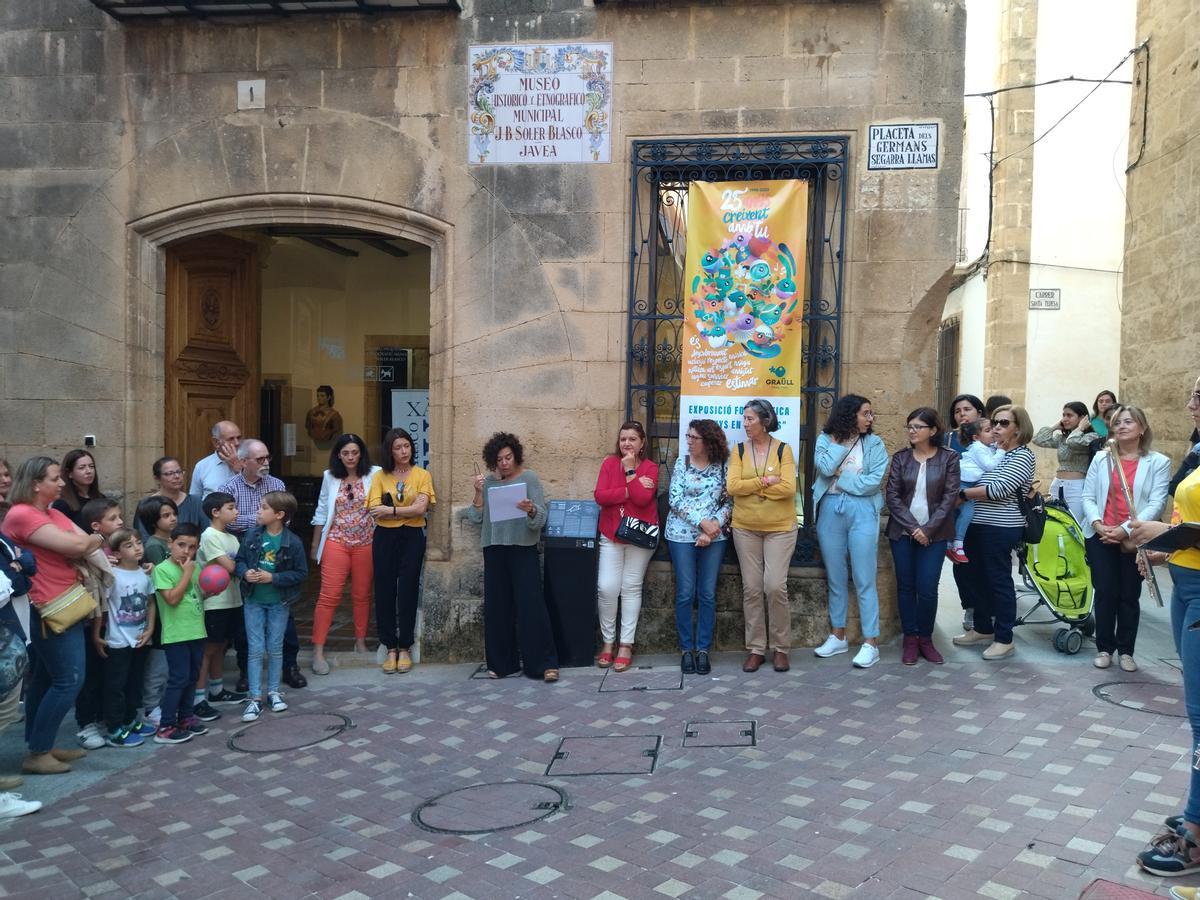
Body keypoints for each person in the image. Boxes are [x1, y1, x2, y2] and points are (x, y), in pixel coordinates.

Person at [1129, 375, 1200, 877]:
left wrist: (1162, 532)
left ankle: (1194, 836)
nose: (1190, 401)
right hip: (1186, 585)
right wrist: (1164, 547)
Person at [3, 456, 104, 775]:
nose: (62, 483)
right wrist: (87, 542)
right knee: (69, 680)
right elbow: (79, 545)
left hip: (66, 601)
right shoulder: (22, 514)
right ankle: (38, 752)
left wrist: (85, 541)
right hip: (48, 607)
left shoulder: (52, 512)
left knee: (48, 680)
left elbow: (81, 540)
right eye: (55, 478)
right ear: (35, 483)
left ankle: (41, 743)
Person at [1080, 405, 1169, 672]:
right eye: (1117, 422)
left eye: (1128, 422)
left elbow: (1156, 502)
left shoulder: (1158, 462)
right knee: (1106, 593)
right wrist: (1097, 524)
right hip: (1100, 534)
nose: (1121, 426)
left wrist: (1125, 529)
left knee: (1129, 595)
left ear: (1142, 428)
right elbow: (1088, 496)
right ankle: (1105, 648)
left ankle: (1126, 651)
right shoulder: (1101, 458)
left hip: (1134, 536)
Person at [466, 432, 558, 682]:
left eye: (508, 457)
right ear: (492, 461)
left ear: (515, 455)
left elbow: (540, 519)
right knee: (498, 608)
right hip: (494, 549)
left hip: (523, 547)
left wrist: (530, 510)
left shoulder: (529, 478)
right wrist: (477, 493)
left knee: (531, 607)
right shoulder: (488, 484)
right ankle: (502, 664)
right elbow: (475, 518)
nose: (505, 462)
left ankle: (543, 664)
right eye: (499, 459)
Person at [953, 404, 1037, 660]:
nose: (997, 427)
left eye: (1004, 423)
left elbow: (998, 489)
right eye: (995, 423)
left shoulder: (1023, 455)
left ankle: (1004, 638)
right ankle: (982, 628)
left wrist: (963, 494)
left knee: (998, 581)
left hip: (1001, 527)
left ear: (1018, 429)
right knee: (976, 578)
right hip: (977, 524)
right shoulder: (993, 452)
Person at [219, 439, 305, 690]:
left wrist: (251, 520)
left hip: (278, 561)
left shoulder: (276, 484)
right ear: (243, 462)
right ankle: (247, 673)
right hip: (247, 555)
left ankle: (290, 666)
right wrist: (259, 522)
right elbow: (229, 522)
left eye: (268, 457)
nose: (266, 463)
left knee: (284, 623)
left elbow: (284, 520)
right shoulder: (229, 486)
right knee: (247, 626)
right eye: (260, 459)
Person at [812, 394, 889, 668]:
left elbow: (872, 483)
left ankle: (871, 642)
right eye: (865, 413)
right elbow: (824, 468)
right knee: (835, 576)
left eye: (871, 413)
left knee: (864, 577)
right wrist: (836, 448)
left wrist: (841, 478)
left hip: (863, 511)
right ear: (849, 415)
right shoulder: (826, 439)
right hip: (830, 509)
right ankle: (838, 635)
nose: (870, 418)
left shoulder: (875, 443)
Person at [726, 399, 798, 673]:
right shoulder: (739, 450)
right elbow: (733, 486)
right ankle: (756, 648)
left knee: (775, 586)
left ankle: (781, 648)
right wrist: (765, 482)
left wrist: (754, 489)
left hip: (780, 528)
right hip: (745, 527)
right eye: (743, 419)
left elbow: (789, 488)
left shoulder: (783, 450)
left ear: (765, 421)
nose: (745, 424)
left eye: (750, 419)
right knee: (752, 589)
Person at [885, 407, 960, 666]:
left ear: (933, 430)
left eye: (918, 426)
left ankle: (925, 639)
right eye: (910, 426)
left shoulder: (949, 458)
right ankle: (910, 639)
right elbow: (892, 497)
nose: (912, 431)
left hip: (935, 535)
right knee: (906, 587)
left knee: (927, 589)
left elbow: (950, 497)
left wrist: (926, 530)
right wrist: (914, 529)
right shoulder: (901, 458)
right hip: (902, 533)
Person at [311, 434, 381, 675]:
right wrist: (315, 544)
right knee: (329, 595)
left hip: (366, 542)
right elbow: (321, 510)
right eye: (345, 453)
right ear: (338, 455)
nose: (350, 457)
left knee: (362, 595)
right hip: (336, 541)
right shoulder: (330, 477)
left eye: (354, 452)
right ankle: (318, 650)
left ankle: (360, 641)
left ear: (361, 453)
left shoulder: (375, 474)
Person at [593, 420, 660, 672]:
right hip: (611, 534)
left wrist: (631, 471)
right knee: (607, 588)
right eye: (623, 439)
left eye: (632, 439)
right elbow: (600, 496)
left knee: (630, 587)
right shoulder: (609, 464)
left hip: (640, 537)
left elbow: (644, 500)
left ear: (642, 443)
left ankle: (625, 645)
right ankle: (607, 642)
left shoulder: (651, 468)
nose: (627, 443)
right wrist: (629, 489)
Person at [367, 429, 435, 675]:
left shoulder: (422, 475)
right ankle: (390, 647)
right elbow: (375, 509)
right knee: (384, 589)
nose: (403, 451)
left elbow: (421, 509)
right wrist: (404, 509)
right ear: (390, 451)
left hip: (412, 536)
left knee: (407, 589)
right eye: (398, 447)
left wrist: (392, 511)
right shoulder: (379, 476)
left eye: (407, 446)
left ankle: (405, 645)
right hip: (384, 537)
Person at [667, 419, 732, 676]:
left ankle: (703, 649)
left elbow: (730, 502)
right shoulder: (681, 463)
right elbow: (675, 500)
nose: (689, 441)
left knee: (707, 593)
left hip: (714, 536)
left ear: (709, 441)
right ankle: (686, 649)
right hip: (680, 535)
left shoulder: (723, 466)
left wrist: (713, 525)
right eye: (688, 436)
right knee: (685, 592)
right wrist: (702, 523)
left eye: (695, 437)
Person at [236, 492, 308, 722]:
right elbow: (240, 561)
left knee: (275, 646)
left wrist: (273, 578)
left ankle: (274, 692)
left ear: (279, 515)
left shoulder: (293, 542)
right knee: (255, 647)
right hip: (253, 600)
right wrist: (245, 573)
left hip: (279, 602)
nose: (258, 511)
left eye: (263, 507)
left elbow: (300, 573)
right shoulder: (251, 536)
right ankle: (255, 697)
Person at [75, 497, 125, 751]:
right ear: (96, 526)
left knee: (110, 674)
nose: (120, 522)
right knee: (90, 675)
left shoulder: (122, 547)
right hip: (93, 621)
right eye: (113, 518)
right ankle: (86, 723)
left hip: (116, 622)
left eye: (120, 516)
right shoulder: (91, 552)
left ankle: (108, 718)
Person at [99, 529, 156, 748]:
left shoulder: (145, 573)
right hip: (117, 640)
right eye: (129, 545)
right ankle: (114, 728)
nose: (137, 548)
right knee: (116, 685)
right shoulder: (112, 576)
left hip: (140, 637)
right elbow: (102, 606)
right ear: (117, 553)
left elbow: (150, 602)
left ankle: (131, 720)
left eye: (139, 543)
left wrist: (150, 629)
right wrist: (97, 634)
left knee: (135, 682)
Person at [151, 524, 207, 745]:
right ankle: (165, 726)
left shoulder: (194, 568)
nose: (186, 551)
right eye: (181, 545)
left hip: (196, 630)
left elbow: (197, 595)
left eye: (192, 547)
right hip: (176, 634)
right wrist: (187, 573)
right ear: (170, 544)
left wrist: (210, 591)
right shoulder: (162, 569)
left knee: (192, 676)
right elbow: (172, 599)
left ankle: (185, 718)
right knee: (178, 679)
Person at [193, 491, 245, 719]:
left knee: (221, 646)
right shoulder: (209, 536)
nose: (236, 512)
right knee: (209, 649)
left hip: (232, 599)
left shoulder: (232, 538)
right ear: (215, 512)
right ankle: (198, 698)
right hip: (215, 602)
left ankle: (216, 689)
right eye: (231, 508)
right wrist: (241, 565)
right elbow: (232, 567)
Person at [943, 394, 987, 629]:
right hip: (956, 507)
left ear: (979, 413)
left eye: (967, 409)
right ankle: (969, 607)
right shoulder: (948, 438)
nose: (962, 414)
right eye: (958, 410)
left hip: (985, 508)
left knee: (983, 560)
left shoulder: (989, 436)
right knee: (961, 561)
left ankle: (987, 610)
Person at [1033, 401, 1102, 526]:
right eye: (1063, 415)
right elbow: (1038, 440)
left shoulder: (1092, 437)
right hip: (1057, 485)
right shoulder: (1062, 438)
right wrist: (1056, 426)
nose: (1065, 419)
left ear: (1082, 418)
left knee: (1075, 524)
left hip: (1077, 488)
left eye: (1069, 415)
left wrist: (1081, 428)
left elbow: (1073, 442)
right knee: (1054, 522)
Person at [947, 419, 1003, 564]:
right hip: (962, 483)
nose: (993, 432)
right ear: (976, 437)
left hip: (968, 483)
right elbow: (989, 465)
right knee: (967, 513)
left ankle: (949, 544)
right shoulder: (978, 447)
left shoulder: (987, 446)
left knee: (959, 513)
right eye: (988, 430)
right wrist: (1002, 451)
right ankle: (957, 544)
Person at [138, 457, 204, 538]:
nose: (177, 476)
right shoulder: (146, 504)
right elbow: (143, 537)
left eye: (179, 472)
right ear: (157, 478)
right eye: (170, 473)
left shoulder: (196, 502)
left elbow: (205, 534)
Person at [51, 449, 105, 530]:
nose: (89, 471)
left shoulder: (101, 498)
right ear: (70, 473)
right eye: (82, 468)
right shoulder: (62, 504)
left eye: (91, 466)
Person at [190, 420, 243, 502]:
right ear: (216, 442)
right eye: (231, 439)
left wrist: (239, 470)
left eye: (239, 438)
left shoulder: (251, 461)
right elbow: (194, 502)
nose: (237, 443)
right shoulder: (202, 466)